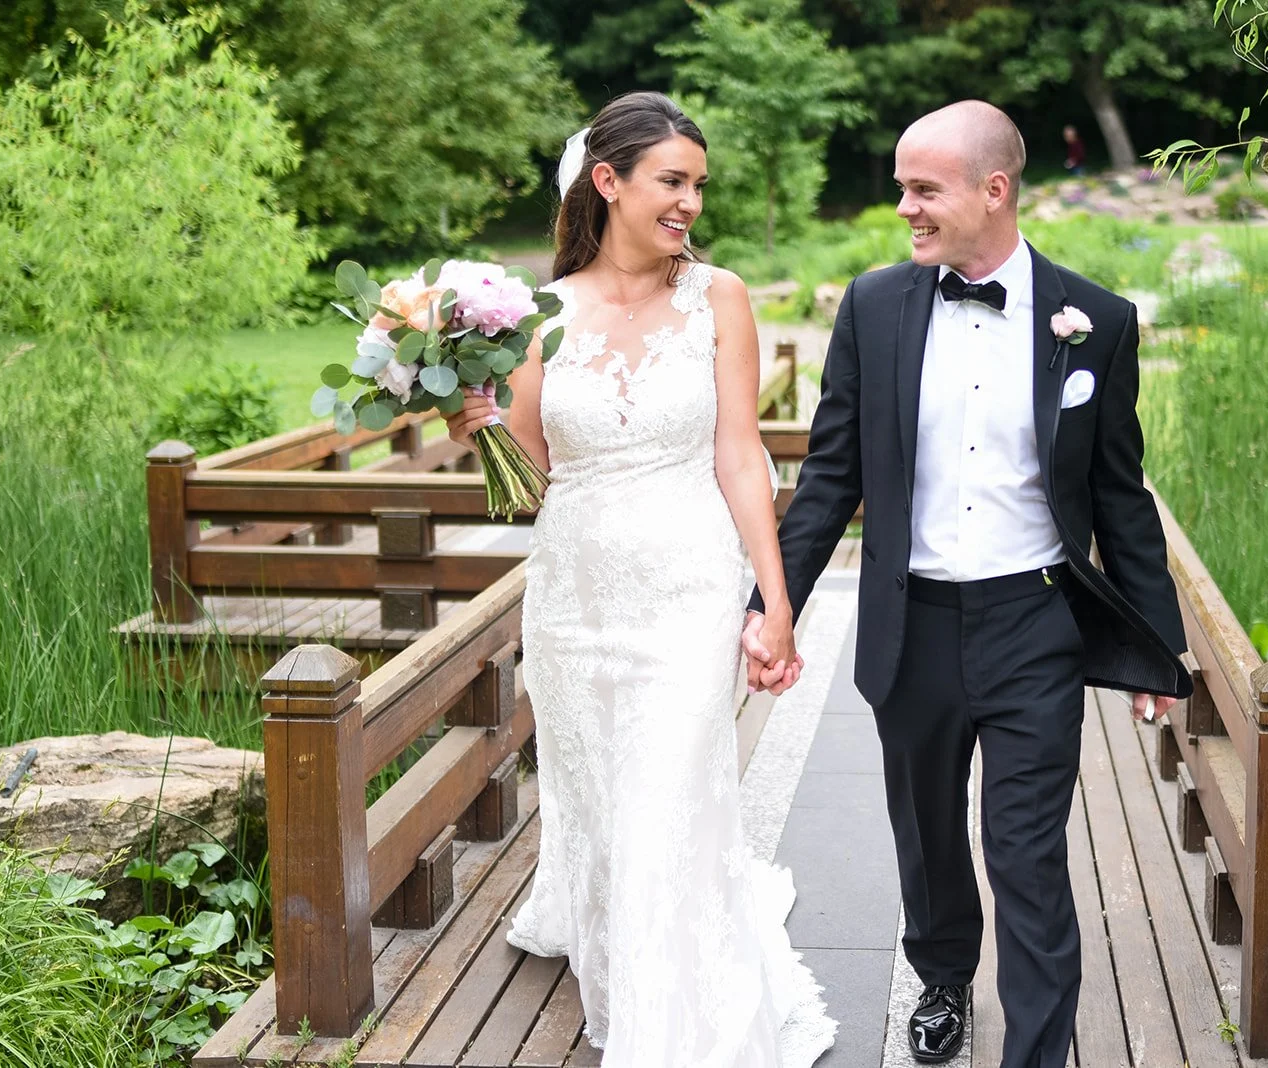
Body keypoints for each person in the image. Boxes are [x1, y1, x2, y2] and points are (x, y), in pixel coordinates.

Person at [744, 101, 1193, 1067]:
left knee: (1027, 854)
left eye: (922, 188)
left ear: (994, 191)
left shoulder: (1096, 322)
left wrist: (1160, 646)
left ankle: (1034, 1052)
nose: (903, 206)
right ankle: (942, 977)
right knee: (929, 834)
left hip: (1037, 623)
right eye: (903, 186)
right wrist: (770, 604)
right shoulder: (874, 307)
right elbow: (832, 475)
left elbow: (1122, 498)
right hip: (913, 621)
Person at [444, 90, 835, 1067]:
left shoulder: (719, 299)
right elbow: (528, 479)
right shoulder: (539, 318)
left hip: (687, 587)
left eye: (698, 184)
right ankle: (627, 977)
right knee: (601, 804)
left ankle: (670, 1040)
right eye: (673, 180)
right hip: (572, 596)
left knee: (665, 800)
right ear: (608, 182)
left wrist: (773, 602)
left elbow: (742, 454)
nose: (690, 202)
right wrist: (478, 430)